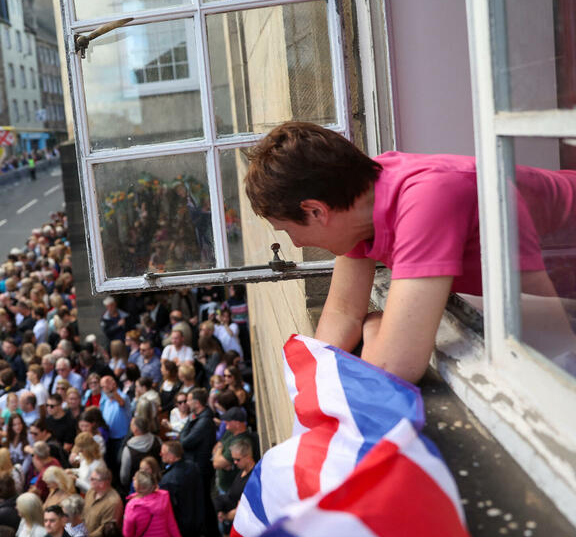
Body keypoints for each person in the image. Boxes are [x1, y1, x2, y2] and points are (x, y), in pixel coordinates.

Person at [244, 121, 576, 381]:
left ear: (316, 211)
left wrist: (375, 326)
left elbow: (396, 365)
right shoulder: (358, 201)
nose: (296, 244)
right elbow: (343, 315)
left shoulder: (425, 199)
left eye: (288, 230)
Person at [158, 441, 203, 537]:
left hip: (181, 524)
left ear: (171, 456)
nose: (160, 454)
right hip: (197, 518)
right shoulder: (193, 466)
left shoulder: (167, 481)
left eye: (163, 452)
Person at [122, 470, 182, 537]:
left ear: (139, 487)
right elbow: (171, 523)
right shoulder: (163, 498)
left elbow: (127, 535)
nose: (133, 479)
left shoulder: (132, 507)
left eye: (135, 479)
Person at [118, 416, 161, 493]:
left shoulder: (128, 449)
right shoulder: (157, 441)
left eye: (131, 424)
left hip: (137, 487)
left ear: (135, 430)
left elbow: (124, 476)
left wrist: (125, 485)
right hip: (156, 483)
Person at [83, 466, 122, 537]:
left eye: (93, 479)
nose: (89, 480)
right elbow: (83, 513)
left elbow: (104, 530)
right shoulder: (90, 492)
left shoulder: (113, 502)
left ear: (102, 483)